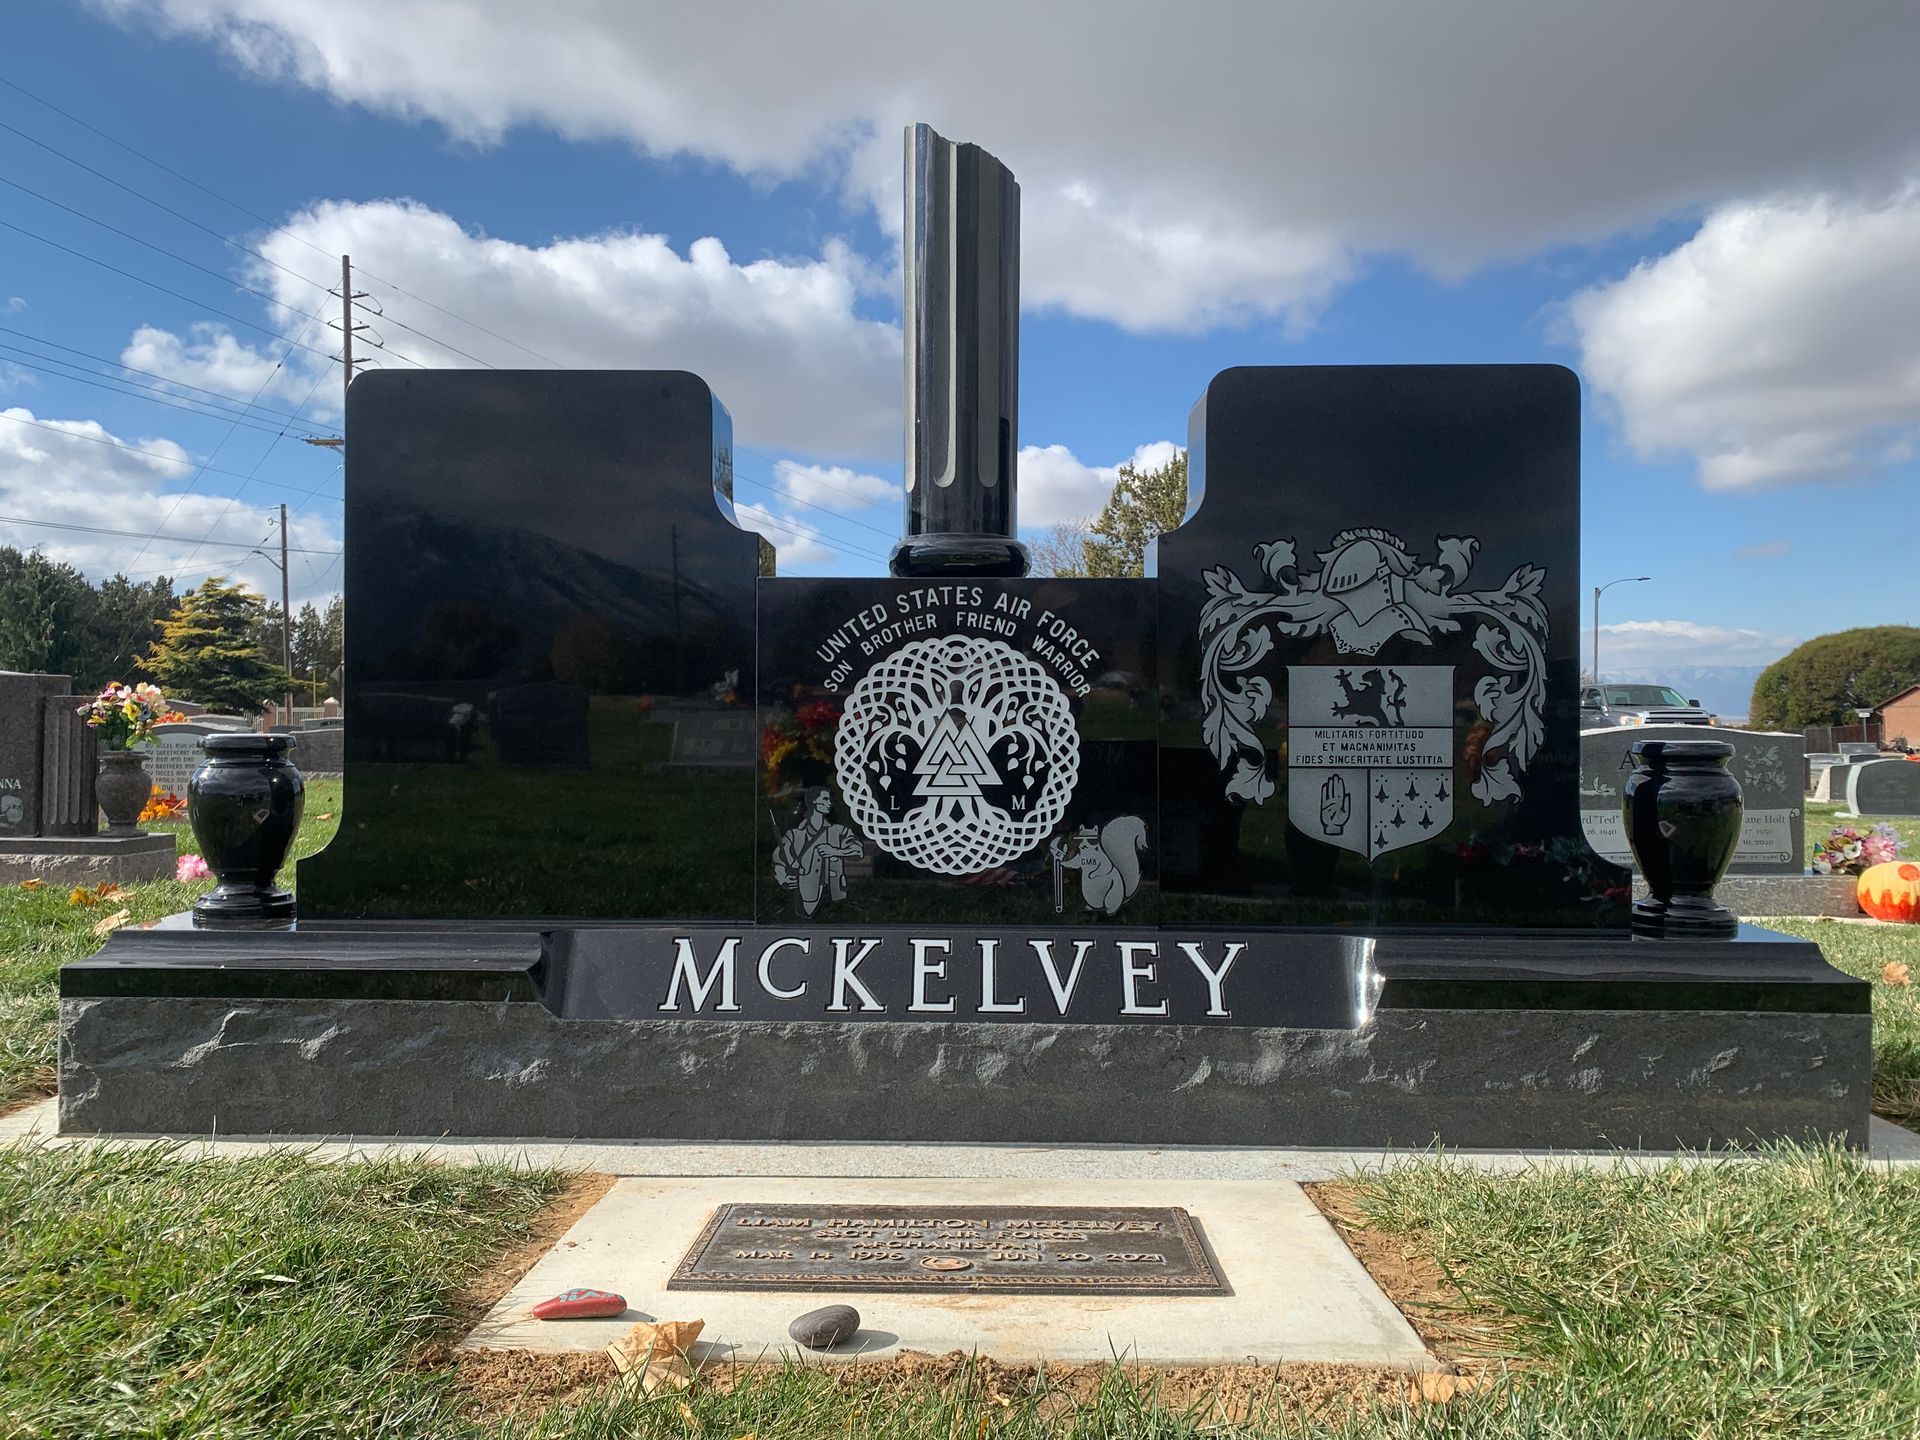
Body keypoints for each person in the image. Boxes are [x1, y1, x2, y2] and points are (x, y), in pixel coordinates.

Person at [772, 787, 865, 916]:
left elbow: (858, 851)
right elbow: (779, 857)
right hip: (805, 891)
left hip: (834, 897)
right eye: (825, 799)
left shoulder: (838, 831)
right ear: (814, 802)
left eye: (830, 799)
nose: (830, 803)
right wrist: (782, 875)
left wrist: (835, 851)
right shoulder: (795, 835)